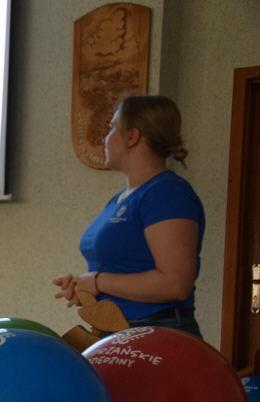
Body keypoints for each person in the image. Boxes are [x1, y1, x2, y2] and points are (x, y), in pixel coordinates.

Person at [54, 95, 204, 337]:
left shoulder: (167, 193)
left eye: (111, 128)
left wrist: (97, 282)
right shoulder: (121, 199)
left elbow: (175, 284)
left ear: (132, 136)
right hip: (118, 333)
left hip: (157, 334)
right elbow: (120, 272)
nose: (105, 138)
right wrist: (84, 286)